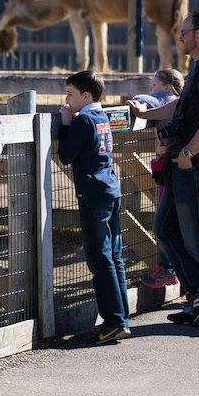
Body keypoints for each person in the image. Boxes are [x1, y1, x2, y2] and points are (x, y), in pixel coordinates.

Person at [128, 9, 199, 326]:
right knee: (165, 228)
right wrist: (147, 115)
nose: (181, 37)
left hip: (195, 165)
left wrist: (187, 151)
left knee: (195, 235)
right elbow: (182, 107)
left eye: (185, 32)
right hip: (183, 164)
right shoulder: (197, 68)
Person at [58, 70, 130, 343]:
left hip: (93, 193)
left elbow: (66, 155)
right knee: (114, 255)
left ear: (85, 95)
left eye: (70, 94)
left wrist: (66, 123)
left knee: (100, 257)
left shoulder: (84, 120)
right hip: (111, 188)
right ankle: (122, 315)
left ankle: (114, 320)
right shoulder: (102, 117)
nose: (67, 99)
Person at [131, 68, 183, 290]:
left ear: (168, 85)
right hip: (178, 168)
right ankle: (175, 269)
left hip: (169, 171)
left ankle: (167, 269)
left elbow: (150, 100)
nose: (151, 89)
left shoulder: (168, 99)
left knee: (163, 223)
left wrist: (138, 102)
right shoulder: (180, 103)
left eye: (154, 85)